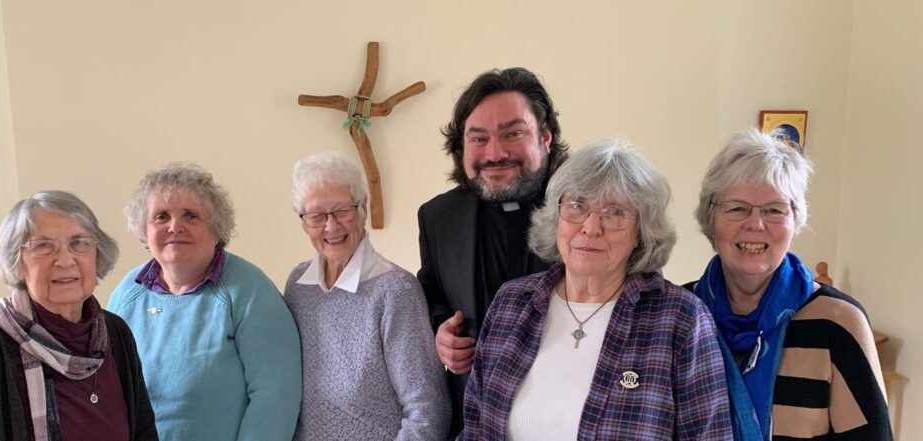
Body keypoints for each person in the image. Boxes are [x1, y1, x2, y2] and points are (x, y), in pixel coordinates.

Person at [460, 140, 733, 440]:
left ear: (641, 234)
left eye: (614, 212)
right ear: (557, 218)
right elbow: (475, 429)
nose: (590, 227)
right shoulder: (511, 303)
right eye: (577, 205)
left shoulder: (681, 319)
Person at [689, 129, 892, 440]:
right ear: (710, 221)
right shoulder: (681, 312)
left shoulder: (836, 322)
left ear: (794, 221)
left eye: (774, 210)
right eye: (737, 208)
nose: (755, 224)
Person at [417, 67, 568, 437]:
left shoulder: (587, 211)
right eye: (479, 138)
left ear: (545, 136)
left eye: (513, 134)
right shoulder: (438, 217)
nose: (495, 153)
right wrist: (440, 332)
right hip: (476, 424)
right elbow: (431, 288)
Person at [0, 191, 158, 441]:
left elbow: (144, 433)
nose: (64, 260)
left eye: (79, 243)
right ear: (17, 263)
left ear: (97, 255)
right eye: (43, 246)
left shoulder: (115, 332)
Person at [107, 163, 301, 441]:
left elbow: (276, 397)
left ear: (216, 229)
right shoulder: (127, 293)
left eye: (191, 216)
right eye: (161, 216)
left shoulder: (249, 290)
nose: (175, 226)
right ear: (144, 230)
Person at [284, 152, 450, 440]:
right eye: (317, 216)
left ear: (363, 208)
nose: (331, 226)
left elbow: (427, 409)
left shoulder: (396, 290)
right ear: (303, 222)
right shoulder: (298, 285)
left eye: (342, 210)